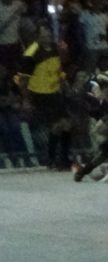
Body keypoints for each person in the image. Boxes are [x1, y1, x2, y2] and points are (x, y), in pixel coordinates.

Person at [17, 25, 72, 170]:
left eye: (48, 32)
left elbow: (60, 66)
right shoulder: (31, 53)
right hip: (39, 93)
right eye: (44, 33)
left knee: (64, 124)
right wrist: (26, 100)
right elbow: (23, 80)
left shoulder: (55, 48)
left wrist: (62, 82)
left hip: (54, 91)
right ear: (37, 36)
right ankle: (58, 159)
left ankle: (58, 158)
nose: (47, 35)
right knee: (59, 124)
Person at [0, 0, 26, 73]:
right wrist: (14, 15)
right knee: (4, 72)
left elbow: (26, 9)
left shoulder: (18, 4)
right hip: (2, 45)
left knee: (18, 70)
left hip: (16, 43)